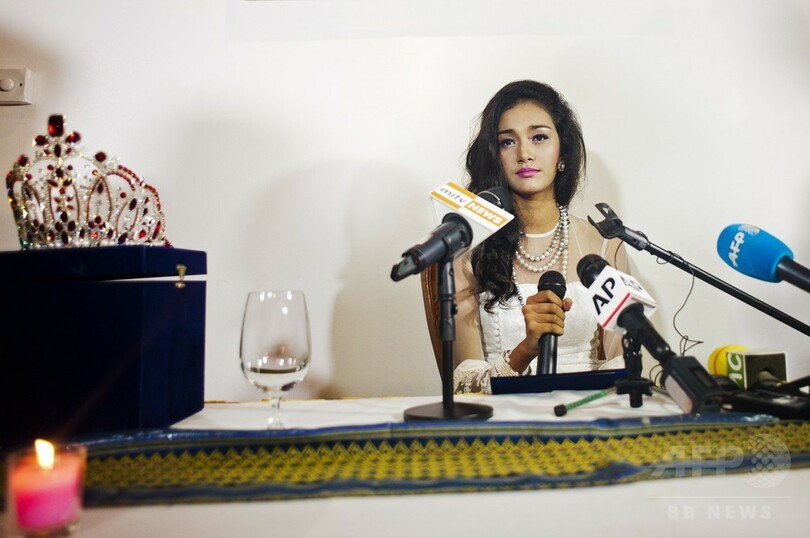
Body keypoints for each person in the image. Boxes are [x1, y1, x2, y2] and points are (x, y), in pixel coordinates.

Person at [452, 80, 630, 394]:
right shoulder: (469, 249)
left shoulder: (605, 243)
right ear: (494, 156)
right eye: (508, 142)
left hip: (588, 413)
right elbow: (464, 386)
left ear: (563, 152)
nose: (524, 154)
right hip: (505, 417)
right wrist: (526, 349)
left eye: (539, 137)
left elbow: (624, 360)